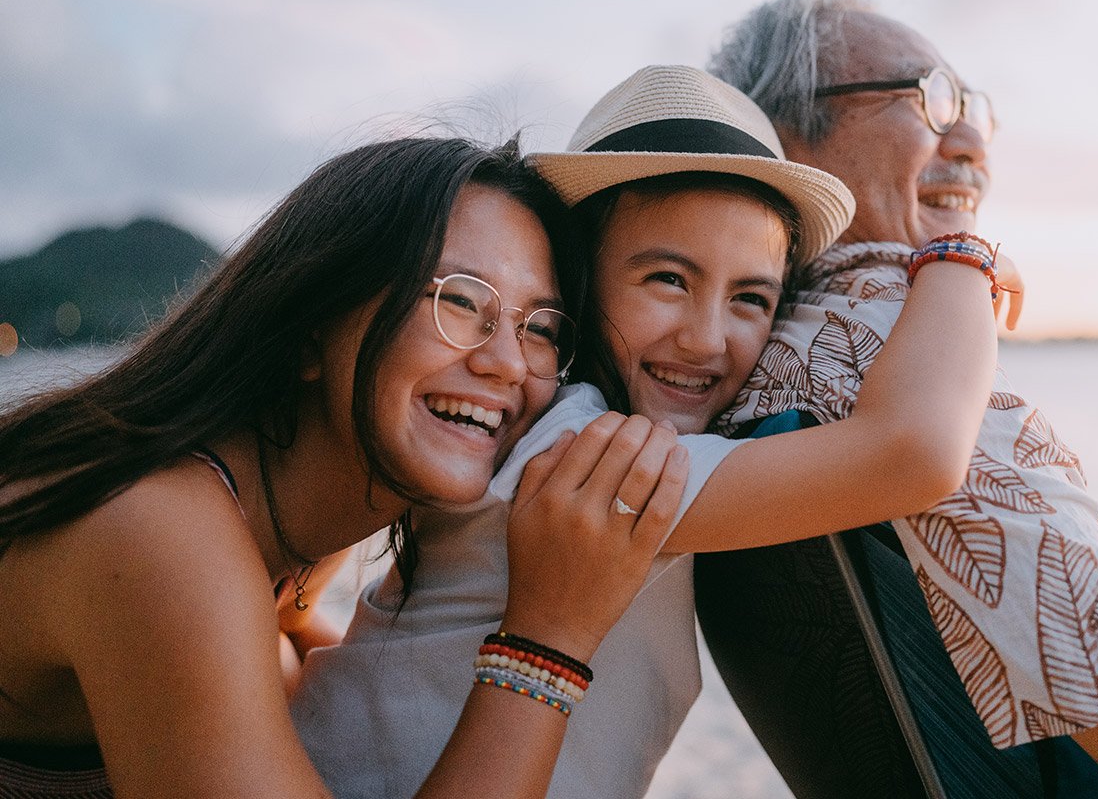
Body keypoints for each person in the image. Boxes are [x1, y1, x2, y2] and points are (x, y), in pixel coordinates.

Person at [698, 0, 1098, 798]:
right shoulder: (898, 350)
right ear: (785, 139)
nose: (971, 138)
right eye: (927, 97)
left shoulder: (779, 352)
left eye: (974, 102)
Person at [292, 64, 1009, 798]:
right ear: (576, 280)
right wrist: (960, 260)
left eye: (751, 298)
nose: (705, 340)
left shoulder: (523, 425)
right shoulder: (593, 459)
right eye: (668, 279)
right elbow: (914, 453)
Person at [0, 135, 692, 798]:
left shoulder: (295, 540)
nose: (509, 363)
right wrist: (547, 639)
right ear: (309, 324)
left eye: (539, 328)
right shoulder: (160, 529)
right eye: (457, 300)